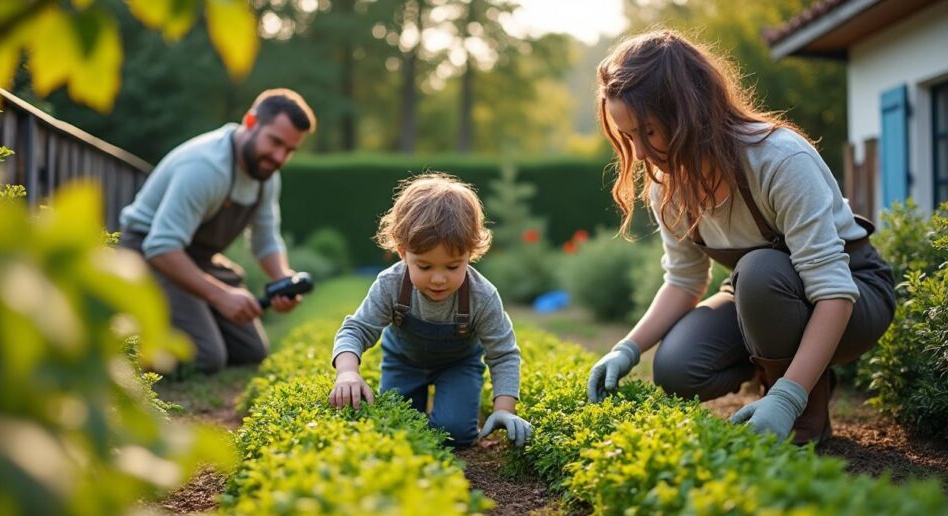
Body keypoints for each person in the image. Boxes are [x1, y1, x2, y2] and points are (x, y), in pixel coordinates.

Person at [586, 30, 896, 445]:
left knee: (759, 270)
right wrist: (626, 348)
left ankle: (801, 404)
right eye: (628, 137)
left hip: (854, 294)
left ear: (687, 114)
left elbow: (834, 292)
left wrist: (787, 398)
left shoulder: (780, 160)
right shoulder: (667, 185)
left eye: (650, 132)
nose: (639, 154)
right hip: (764, 296)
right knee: (677, 368)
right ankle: (778, 366)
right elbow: (683, 281)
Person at [329, 173, 534, 448]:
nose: (439, 279)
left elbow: (504, 354)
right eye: (424, 266)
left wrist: (503, 410)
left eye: (453, 266)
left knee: (455, 434)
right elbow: (356, 329)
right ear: (403, 252)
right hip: (403, 363)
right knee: (396, 428)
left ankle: (454, 413)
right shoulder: (391, 284)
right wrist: (347, 372)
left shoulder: (481, 296)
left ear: (471, 254)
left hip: (458, 366)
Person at [119, 89, 316, 373]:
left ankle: (184, 325)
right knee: (207, 356)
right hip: (148, 255)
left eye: (289, 150)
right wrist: (220, 295)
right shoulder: (205, 167)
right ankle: (126, 348)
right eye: (275, 142)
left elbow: (266, 241)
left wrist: (283, 279)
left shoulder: (265, 176)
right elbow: (160, 246)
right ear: (250, 122)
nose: (278, 157)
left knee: (251, 351)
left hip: (195, 258)